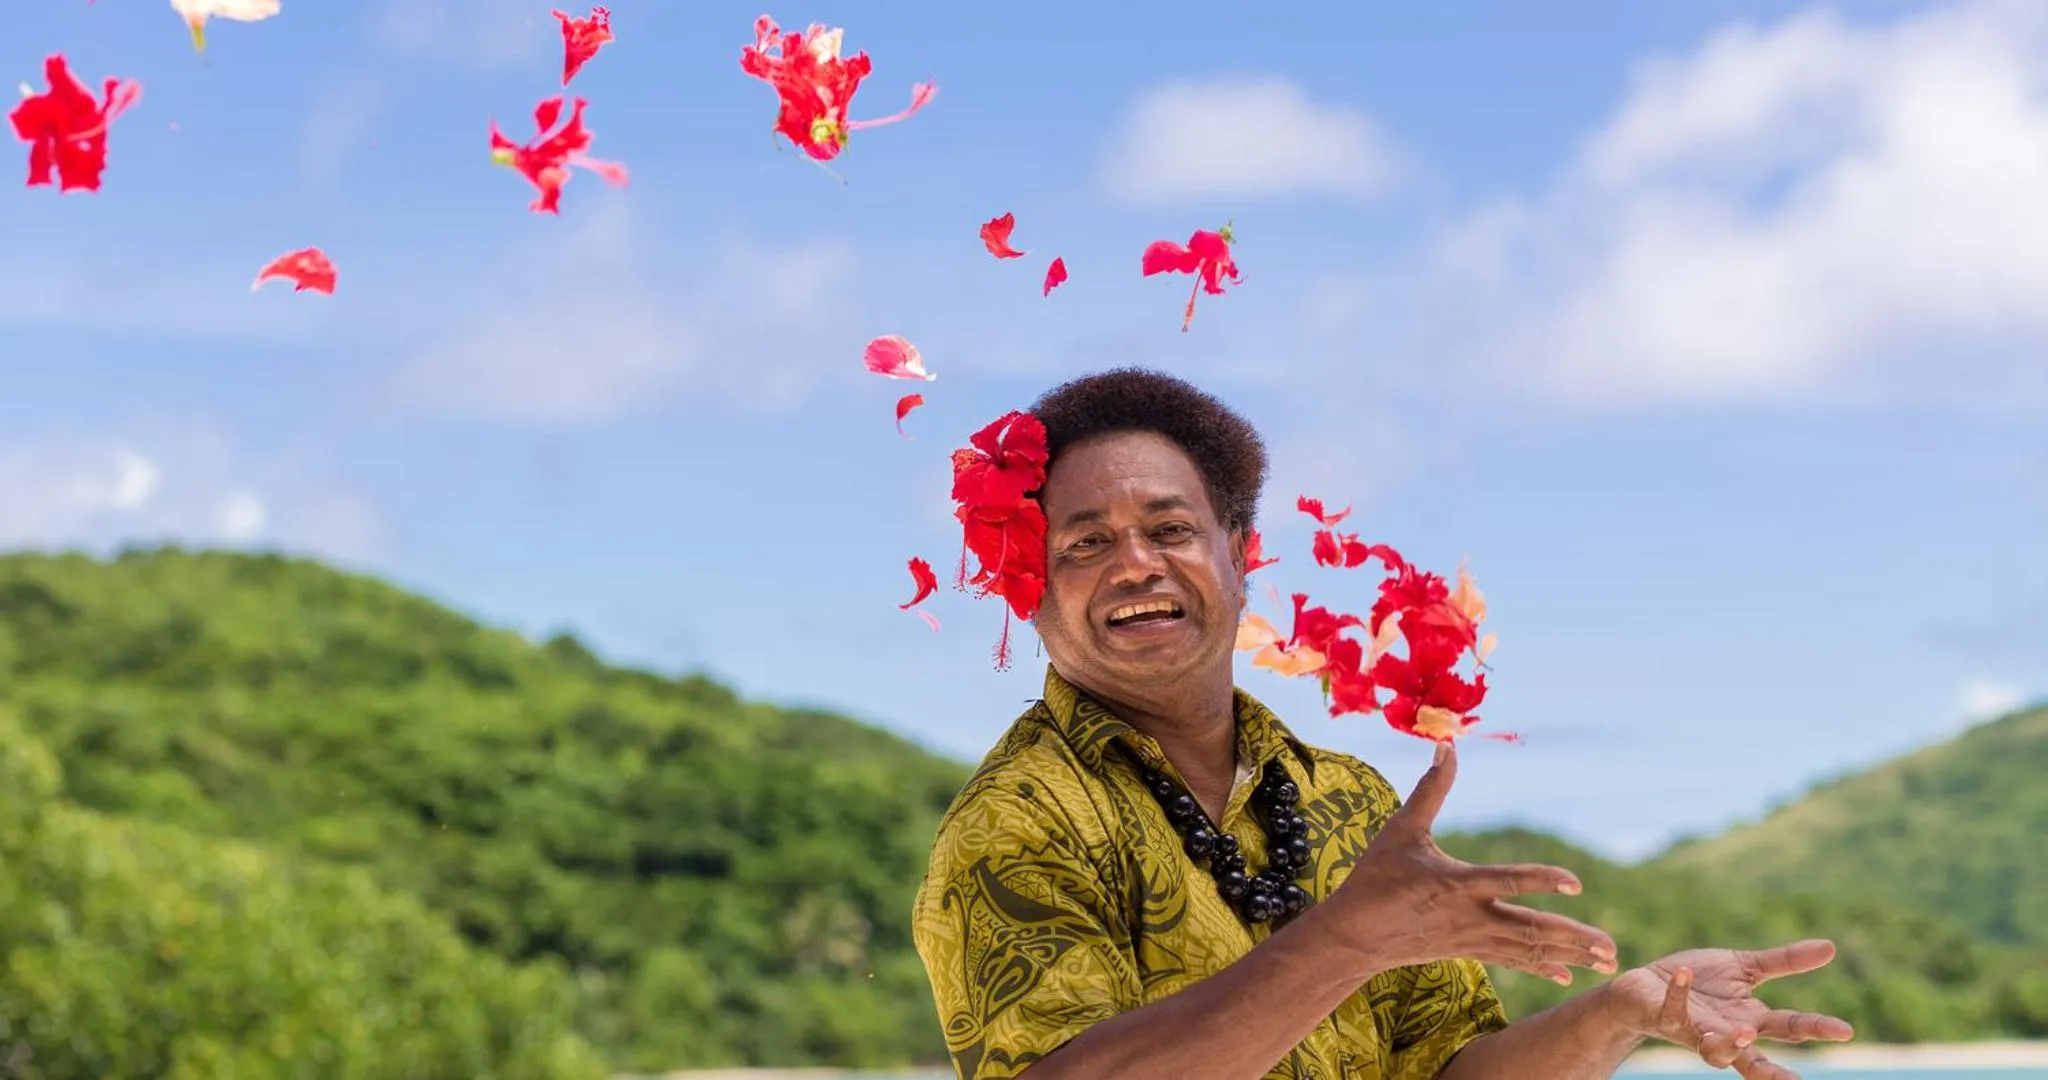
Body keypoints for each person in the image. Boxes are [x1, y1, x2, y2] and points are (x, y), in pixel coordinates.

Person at [910, 368, 1856, 1080]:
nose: (1135, 565)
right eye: (1085, 543)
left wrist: (1617, 1016)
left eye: (1170, 529)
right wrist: (1348, 942)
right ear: (1029, 588)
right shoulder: (1017, 820)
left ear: (1241, 557)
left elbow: (1445, 1072)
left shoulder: (1347, 801)